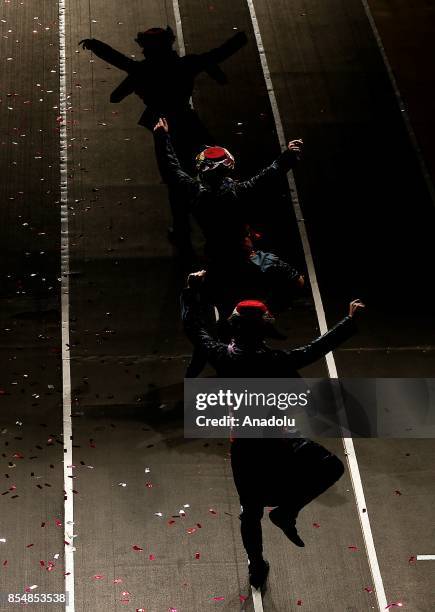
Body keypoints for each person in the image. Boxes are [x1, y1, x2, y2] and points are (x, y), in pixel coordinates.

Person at [181, 269, 365, 589]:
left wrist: (190, 290)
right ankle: (287, 511)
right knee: (330, 465)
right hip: (279, 442)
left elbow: (193, 326)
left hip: (245, 446)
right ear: (263, 328)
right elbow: (316, 349)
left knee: (249, 513)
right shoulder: (277, 360)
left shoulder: (222, 357)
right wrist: (349, 322)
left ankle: (256, 564)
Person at [155, 116, 305, 375]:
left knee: (214, 329)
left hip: (217, 266)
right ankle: (266, 320)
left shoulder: (196, 194)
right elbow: (269, 176)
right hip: (247, 261)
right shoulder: (240, 192)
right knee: (296, 281)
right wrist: (289, 156)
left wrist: (162, 139)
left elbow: (171, 170)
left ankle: (198, 369)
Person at [79, 28, 248, 256]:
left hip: (165, 130)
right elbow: (218, 54)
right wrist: (240, 38)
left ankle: (182, 230)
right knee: (209, 174)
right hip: (190, 125)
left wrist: (96, 45)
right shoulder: (186, 64)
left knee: (175, 180)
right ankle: (219, 225)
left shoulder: (143, 70)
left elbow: (116, 82)